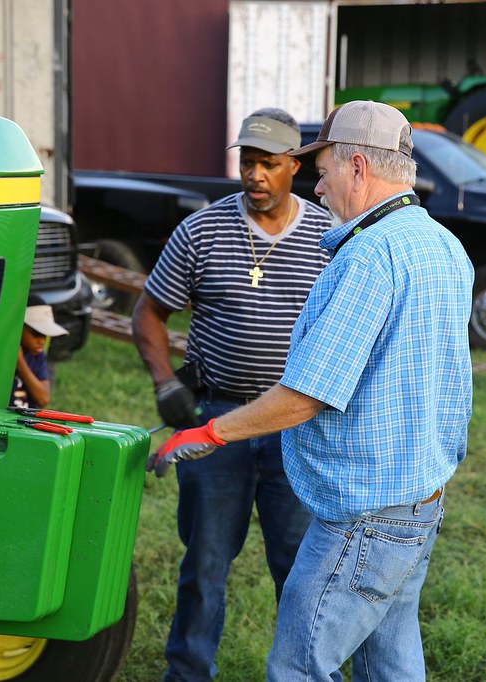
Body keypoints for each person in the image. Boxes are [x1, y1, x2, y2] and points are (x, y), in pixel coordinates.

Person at [150, 100, 475, 681]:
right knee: (390, 663)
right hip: (420, 500)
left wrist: (211, 430)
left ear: (356, 167)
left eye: (321, 170)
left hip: (365, 515)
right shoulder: (442, 245)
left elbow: (308, 395)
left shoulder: (370, 257)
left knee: (299, 665)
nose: (318, 188)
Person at [132, 107, 333, 681]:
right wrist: (166, 381)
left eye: (268, 164)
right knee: (205, 565)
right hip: (215, 416)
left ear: (294, 165)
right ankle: (189, 673)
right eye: (247, 162)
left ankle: (302, 673)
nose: (255, 175)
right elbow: (148, 312)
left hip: (294, 425)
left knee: (298, 568)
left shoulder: (327, 236)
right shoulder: (202, 231)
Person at [10, 304, 68, 409]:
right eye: (36, 334)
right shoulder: (4, 355)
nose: (42, 341)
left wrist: (20, 363)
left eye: (45, 335)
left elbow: (43, 399)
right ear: (19, 327)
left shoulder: (38, 356)